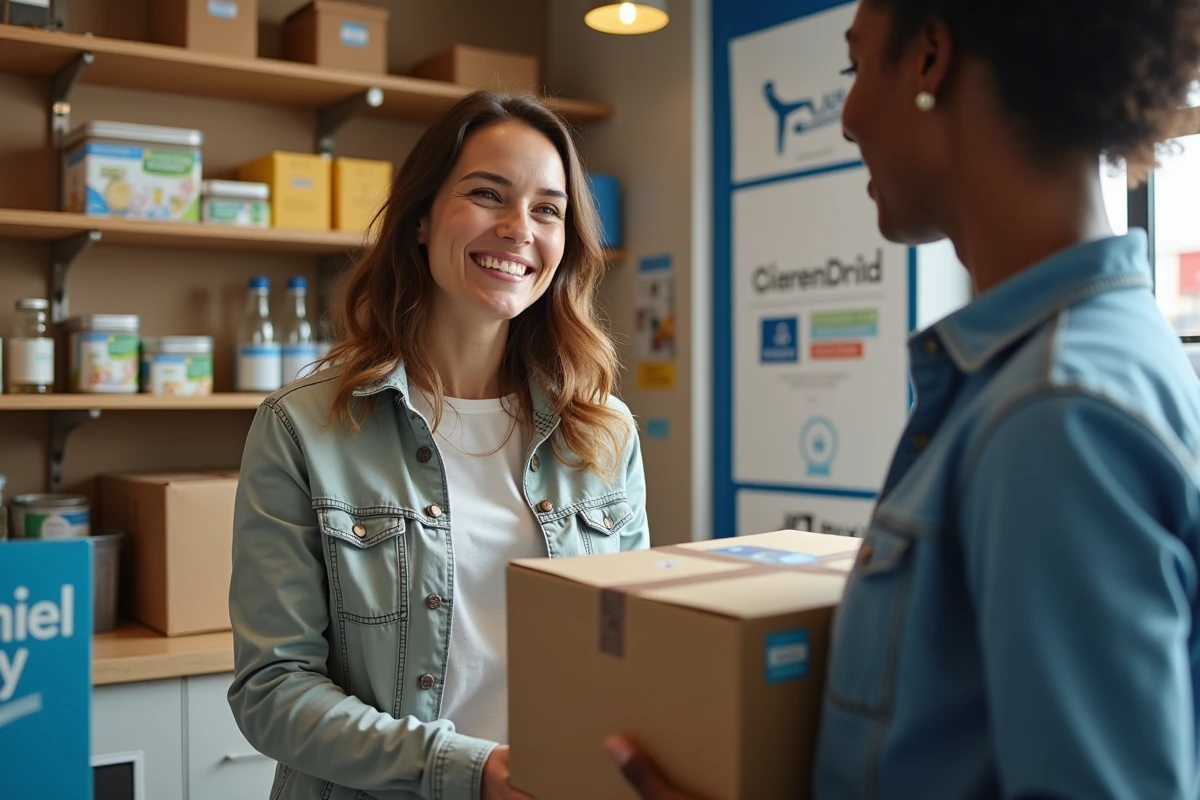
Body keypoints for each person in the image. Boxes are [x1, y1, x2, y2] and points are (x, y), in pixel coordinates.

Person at [608, 0, 1200, 797]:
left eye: (855, 68)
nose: (847, 119)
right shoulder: (1080, 365)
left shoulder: (1053, 419)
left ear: (929, 58)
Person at [227, 90, 651, 800]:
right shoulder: (305, 428)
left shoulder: (604, 431)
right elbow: (272, 691)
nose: (520, 228)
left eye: (548, 208)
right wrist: (469, 772)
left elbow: (628, 653)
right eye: (489, 194)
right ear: (421, 219)